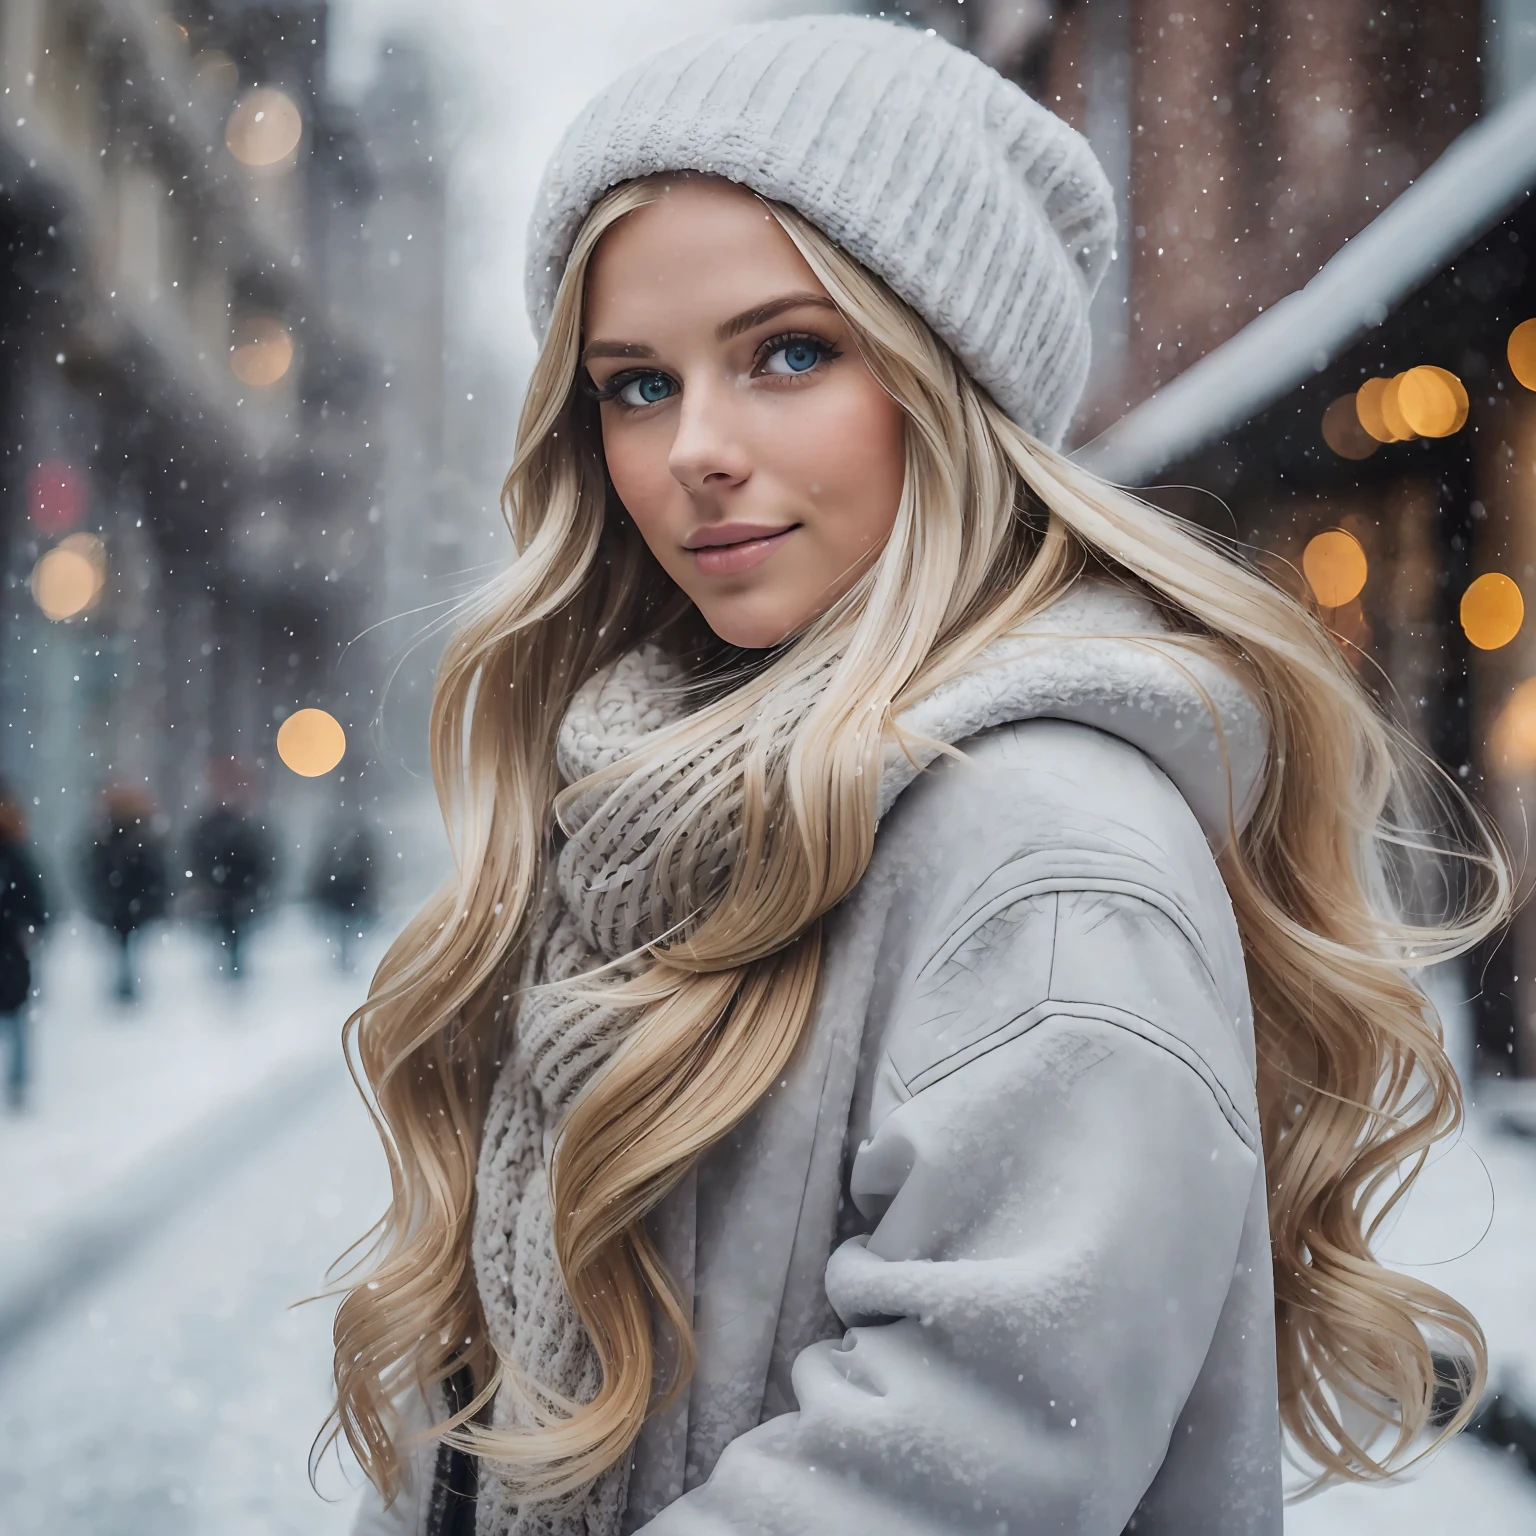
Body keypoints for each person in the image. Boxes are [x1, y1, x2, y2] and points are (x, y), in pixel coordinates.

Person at [332, 18, 1507, 1536]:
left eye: (790, 353)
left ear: (948, 384)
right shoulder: (653, 805)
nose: (694, 448)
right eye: (636, 384)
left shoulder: (1046, 858)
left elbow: (949, 1474)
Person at [78, 784, 170, 1003]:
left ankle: (126, 983)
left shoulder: (125, 838)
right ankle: (126, 983)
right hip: (122, 904)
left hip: (124, 903)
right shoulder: (125, 837)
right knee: (124, 947)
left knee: (125, 947)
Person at [188, 778, 277, 981]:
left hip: (236, 892)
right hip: (225, 893)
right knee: (227, 932)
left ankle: (232, 965)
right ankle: (230, 965)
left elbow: (259, 860)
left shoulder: (242, 828)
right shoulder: (219, 828)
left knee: (233, 933)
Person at [0, 788, 48, 1110]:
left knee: (16, 1018)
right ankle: (18, 1082)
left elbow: (35, 900)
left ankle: (18, 1083)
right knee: (16, 1019)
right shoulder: (18, 853)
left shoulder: (16, 855)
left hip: (10, 947)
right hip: (11, 947)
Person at [310, 814, 380, 972]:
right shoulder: (352, 851)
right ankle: (345, 956)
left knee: (346, 929)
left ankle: (345, 956)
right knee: (346, 929)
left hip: (346, 896)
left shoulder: (341, 851)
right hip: (346, 896)